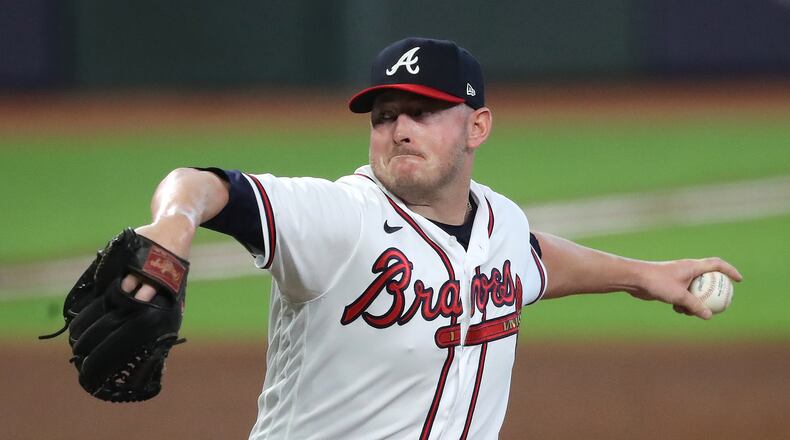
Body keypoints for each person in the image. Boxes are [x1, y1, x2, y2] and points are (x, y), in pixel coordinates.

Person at [121, 37, 741, 439]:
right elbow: (204, 185)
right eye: (385, 116)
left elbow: (533, 260)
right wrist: (175, 223)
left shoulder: (499, 222)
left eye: (422, 113)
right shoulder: (340, 217)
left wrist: (642, 275)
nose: (400, 129)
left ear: (477, 127)